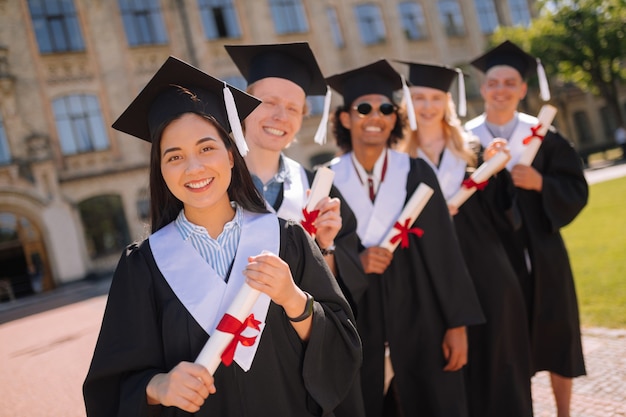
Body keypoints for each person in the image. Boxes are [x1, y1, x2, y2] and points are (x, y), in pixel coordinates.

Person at [82, 56, 362, 417]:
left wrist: (294, 300)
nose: (194, 167)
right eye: (174, 156)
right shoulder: (144, 266)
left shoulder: (287, 239)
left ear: (232, 155)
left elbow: (344, 345)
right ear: (161, 172)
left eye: (206, 148)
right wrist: (158, 387)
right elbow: (110, 386)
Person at [326, 59, 485, 417]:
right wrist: (356, 262)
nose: (375, 115)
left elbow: (446, 254)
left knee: (433, 400)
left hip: (422, 312)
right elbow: (317, 255)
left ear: (395, 117)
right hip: (357, 317)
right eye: (363, 108)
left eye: (386, 108)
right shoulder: (326, 181)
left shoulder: (414, 171)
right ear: (346, 118)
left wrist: (456, 325)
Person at [395, 61, 533, 417]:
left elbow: (506, 216)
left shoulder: (471, 150)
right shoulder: (396, 157)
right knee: (450, 371)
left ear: (447, 103)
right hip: (430, 278)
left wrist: (496, 173)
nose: (427, 106)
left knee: (499, 363)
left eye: (436, 98)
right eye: (419, 98)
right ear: (407, 102)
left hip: (485, 270)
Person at [465, 40, 589, 417]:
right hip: (491, 253)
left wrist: (540, 183)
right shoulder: (466, 140)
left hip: (543, 250)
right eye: (493, 82)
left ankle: (564, 413)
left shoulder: (543, 135)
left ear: (522, 89)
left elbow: (575, 188)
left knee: (557, 333)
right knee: (505, 339)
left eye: (510, 82)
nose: (501, 89)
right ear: (483, 88)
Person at [224, 42, 368, 313]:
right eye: (269, 103)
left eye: (293, 108)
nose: (280, 116)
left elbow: (338, 295)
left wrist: (325, 246)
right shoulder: (214, 185)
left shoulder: (319, 190)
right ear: (244, 106)